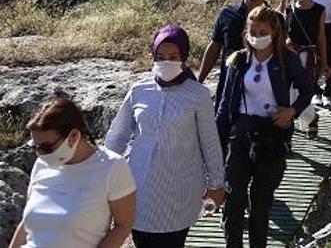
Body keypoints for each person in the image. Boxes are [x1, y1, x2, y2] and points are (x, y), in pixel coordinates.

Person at [105, 25, 224, 248]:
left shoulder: (197, 95)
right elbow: (118, 136)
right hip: (140, 186)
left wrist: (216, 184)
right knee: (141, 240)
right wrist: (101, 171)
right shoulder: (139, 90)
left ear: (184, 57)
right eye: (160, 57)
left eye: (173, 56)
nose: (166, 62)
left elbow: (210, 142)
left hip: (179, 188)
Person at [216, 6, 313, 248]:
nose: (257, 36)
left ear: (274, 32)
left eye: (262, 31)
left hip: (271, 132)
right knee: (234, 200)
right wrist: (218, 143)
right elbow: (225, 103)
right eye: (253, 31)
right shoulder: (237, 60)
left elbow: (307, 88)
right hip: (240, 132)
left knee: (261, 201)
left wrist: (292, 111)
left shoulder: (286, 59)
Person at [12, 96, 136, 248]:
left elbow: (123, 224)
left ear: (74, 136)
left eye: (46, 147)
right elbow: (26, 224)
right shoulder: (41, 164)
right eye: (35, 147)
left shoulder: (112, 167)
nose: (40, 154)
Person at [198, 0, 271, 132]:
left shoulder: (274, 18)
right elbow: (214, 47)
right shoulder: (227, 14)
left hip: (261, 87)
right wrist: (200, 79)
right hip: (229, 85)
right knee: (223, 129)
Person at [283, 0, 328, 138]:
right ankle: (289, 131)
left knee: (304, 91)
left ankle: (311, 117)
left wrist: (324, 63)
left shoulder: (319, 10)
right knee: (289, 93)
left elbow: (321, 38)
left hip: (308, 56)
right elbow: (285, 34)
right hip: (291, 55)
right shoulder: (290, 10)